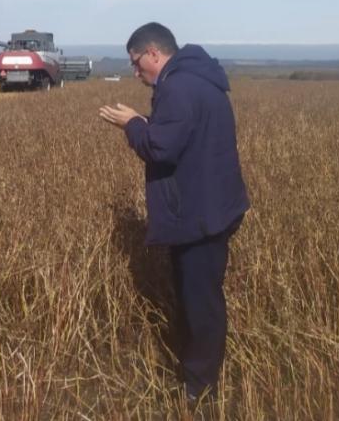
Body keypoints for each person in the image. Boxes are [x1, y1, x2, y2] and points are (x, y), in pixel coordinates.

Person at [99, 22, 249, 400]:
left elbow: (160, 148)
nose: (135, 73)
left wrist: (132, 123)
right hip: (212, 206)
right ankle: (197, 376)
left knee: (201, 304)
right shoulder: (196, 79)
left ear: (154, 53)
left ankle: (199, 391)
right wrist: (148, 124)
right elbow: (180, 136)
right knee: (198, 296)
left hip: (201, 215)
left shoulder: (178, 87)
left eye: (136, 63)